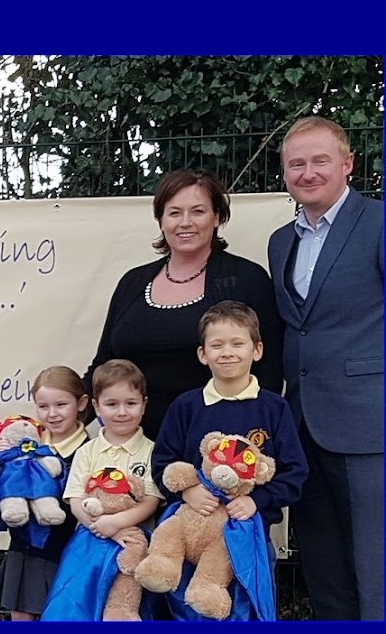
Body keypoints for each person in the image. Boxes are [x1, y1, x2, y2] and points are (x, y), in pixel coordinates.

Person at [267, 116, 384, 621]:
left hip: (369, 424)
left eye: (320, 160)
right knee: (324, 571)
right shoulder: (280, 241)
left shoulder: (378, 223)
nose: (308, 172)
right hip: (302, 426)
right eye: (297, 164)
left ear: (347, 164)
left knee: (376, 571)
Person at [84, 169, 284, 441]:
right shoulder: (132, 283)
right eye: (174, 213)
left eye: (198, 212)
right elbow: (103, 364)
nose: (185, 222)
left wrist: (248, 442)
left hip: (217, 444)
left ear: (217, 217)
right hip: (133, 444)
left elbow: (269, 369)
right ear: (161, 220)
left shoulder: (247, 279)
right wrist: (65, 418)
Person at [151, 301, 309, 620]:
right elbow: (162, 463)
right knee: (192, 611)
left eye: (238, 343)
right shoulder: (186, 407)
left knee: (245, 615)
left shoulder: (273, 408)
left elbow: (295, 472)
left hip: (249, 536)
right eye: (217, 345)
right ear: (202, 354)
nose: (227, 352)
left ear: (257, 350)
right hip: (192, 534)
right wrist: (188, 491)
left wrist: (257, 501)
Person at [41, 359, 163, 620]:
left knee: (125, 609)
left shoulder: (153, 451)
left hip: (134, 543)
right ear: (96, 406)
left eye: (131, 403)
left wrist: (117, 524)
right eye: (111, 404)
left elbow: (151, 500)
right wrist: (104, 528)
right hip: (89, 541)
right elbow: (76, 500)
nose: (122, 412)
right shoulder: (87, 452)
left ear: (144, 404)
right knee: (75, 605)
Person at [0, 366, 91, 620]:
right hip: (24, 546)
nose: (52, 414)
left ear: (81, 403)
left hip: (66, 550)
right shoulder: (26, 444)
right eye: (43, 406)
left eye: (61, 405)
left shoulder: (90, 451)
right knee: (21, 616)